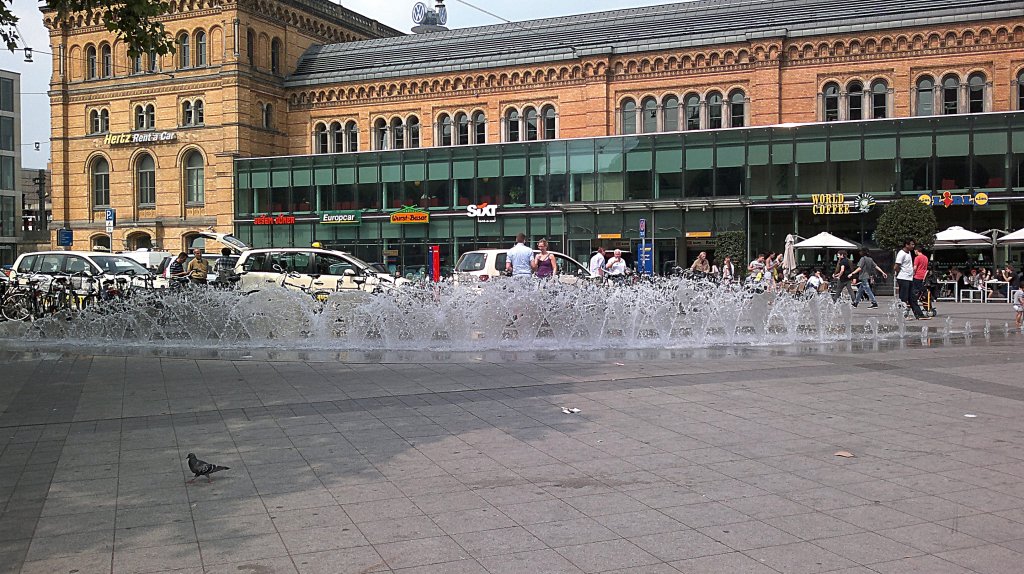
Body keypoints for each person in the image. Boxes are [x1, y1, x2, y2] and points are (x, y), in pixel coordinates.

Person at [895, 239, 926, 319]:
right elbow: (896, 266)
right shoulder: (901, 254)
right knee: (903, 298)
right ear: (906, 245)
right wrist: (901, 273)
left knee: (912, 298)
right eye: (911, 244)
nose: (913, 246)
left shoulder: (908, 253)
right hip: (903, 278)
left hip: (909, 279)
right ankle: (903, 315)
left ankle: (919, 314)